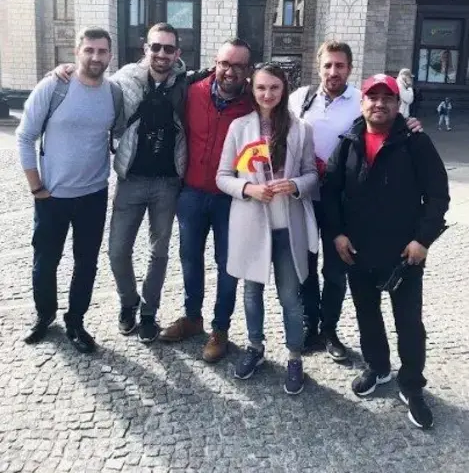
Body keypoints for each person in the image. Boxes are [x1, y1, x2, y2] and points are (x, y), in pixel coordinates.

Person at [52, 23, 209, 344]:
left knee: (159, 253)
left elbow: (222, 76)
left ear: (177, 53)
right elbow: (92, 82)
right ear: (145, 48)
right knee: (117, 251)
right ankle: (129, 301)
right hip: (131, 179)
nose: (161, 53)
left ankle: (149, 313)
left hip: (167, 183)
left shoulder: (186, 83)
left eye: (168, 48)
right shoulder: (123, 80)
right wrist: (68, 68)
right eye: (156, 47)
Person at [322, 74, 449, 430]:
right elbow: (329, 191)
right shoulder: (348, 141)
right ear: (362, 102)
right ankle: (378, 367)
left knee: (408, 322)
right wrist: (337, 234)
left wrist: (422, 240)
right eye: (372, 97)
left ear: (397, 104)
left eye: (387, 98)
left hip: (404, 253)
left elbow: (437, 195)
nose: (379, 104)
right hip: (358, 250)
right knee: (367, 314)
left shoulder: (415, 142)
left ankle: (412, 384)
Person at [289, 41, 423, 362]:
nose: (333, 71)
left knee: (336, 271)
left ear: (349, 68)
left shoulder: (360, 102)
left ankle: (330, 330)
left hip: (343, 204)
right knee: (303, 267)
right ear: (318, 66)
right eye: (328, 65)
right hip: (303, 199)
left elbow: (393, 124)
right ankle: (309, 324)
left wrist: (412, 124)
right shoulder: (300, 99)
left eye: (340, 65)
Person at [17, 27, 124, 353]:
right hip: (52, 195)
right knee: (45, 260)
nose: (95, 57)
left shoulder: (113, 93)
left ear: (110, 55)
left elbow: (117, 134)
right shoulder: (54, 86)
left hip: (93, 195)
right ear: (77, 52)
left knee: (86, 263)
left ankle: (75, 321)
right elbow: (24, 136)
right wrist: (36, 186)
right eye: (89, 50)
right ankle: (45, 315)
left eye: (102, 51)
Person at [216, 63, 319, 395]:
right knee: (252, 292)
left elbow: (312, 174)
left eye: (274, 87)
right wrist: (249, 189)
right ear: (252, 89)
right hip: (251, 223)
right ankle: (255, 346)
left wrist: (296, 184)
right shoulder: (239, 127)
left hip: (287, 226)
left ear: (284, 89)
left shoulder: (301, 129)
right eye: (261, 87)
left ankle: (294, 356)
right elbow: (223, 177)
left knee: (290, 296)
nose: (267, 94)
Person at [159, 39, 253, 363]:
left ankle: (220, 329)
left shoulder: (254, 103)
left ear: (248, 70)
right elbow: (152, 79)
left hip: (232, 199)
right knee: (189, 258)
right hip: (192, 193)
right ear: (216, 62)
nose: (230, 71)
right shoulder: (192, 91)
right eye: (225, 63)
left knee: (227, 265)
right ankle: (192, 317)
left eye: (238, 66)